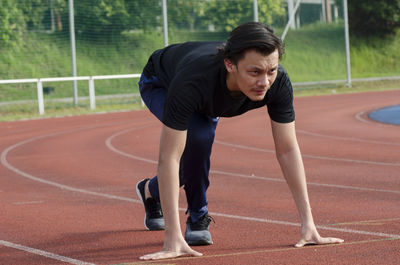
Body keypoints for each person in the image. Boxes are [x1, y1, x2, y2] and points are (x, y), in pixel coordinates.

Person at [135, 22, 344, 260]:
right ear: (230, 65)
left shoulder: (279, 83)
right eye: (254, 72)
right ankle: (196, 218)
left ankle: (151, 191)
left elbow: (287, 149)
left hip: (207, 94)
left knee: (199, 139)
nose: (264, 82)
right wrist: (171, 237)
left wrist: (309, 224)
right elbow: (169, 157)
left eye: (271, 70)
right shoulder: (192, 82)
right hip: (161, 82)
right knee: (198, 137)